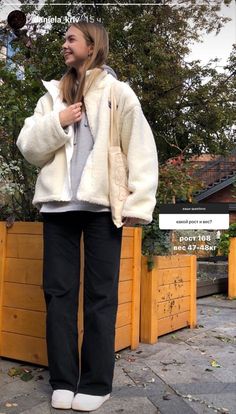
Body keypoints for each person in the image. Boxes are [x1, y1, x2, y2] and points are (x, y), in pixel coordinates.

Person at [17, 21, 158, 412]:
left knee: (101, 297)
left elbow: (141, 149)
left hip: (101, 209)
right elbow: (28, 146)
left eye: (70, 38)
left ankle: (97, 383)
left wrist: (137, 204)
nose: (64, 44)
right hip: (58, 208)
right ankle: (63, 380)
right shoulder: (51, 96)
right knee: (58, 295)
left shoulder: (117, 92)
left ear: (92, 45)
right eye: (64, 38)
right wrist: (58, 122)